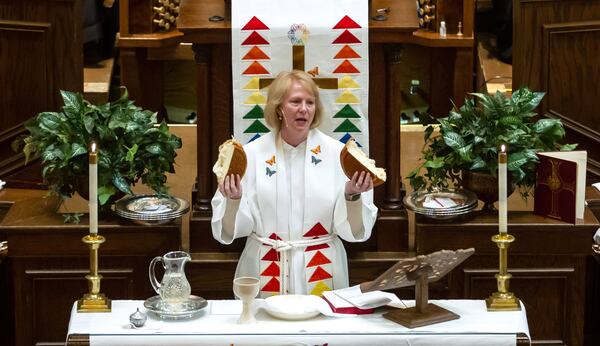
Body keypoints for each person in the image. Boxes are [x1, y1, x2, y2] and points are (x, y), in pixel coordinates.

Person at [211, 70, 378, 297]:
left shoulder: (339, 154)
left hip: (322, 267)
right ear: (279, 107)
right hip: (266, 266)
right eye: (296, 102)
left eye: (310, 102)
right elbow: (230, 232)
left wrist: (352, 196)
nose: (304, 109)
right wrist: (233, 200)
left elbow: (354, 232)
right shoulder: (251, 155)